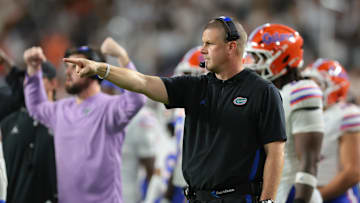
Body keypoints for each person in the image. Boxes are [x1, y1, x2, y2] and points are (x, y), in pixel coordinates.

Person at [64, 16, 287, 203]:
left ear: (231, 47)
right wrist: (101, 69)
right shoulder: (196, 87)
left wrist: (267, 201)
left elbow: (275, 153)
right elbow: (141, 82)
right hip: (196, 197)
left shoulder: (262, 92)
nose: (203, 50)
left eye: (210, 43)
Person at [23, 37, 146, 203]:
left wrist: (122, 57)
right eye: (67, 67)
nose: (67, 72)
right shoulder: (61, 109)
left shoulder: (109, 108)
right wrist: (33, 69)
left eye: (74, 67)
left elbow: (137, 99)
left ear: (93, 69)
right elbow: (36, 106)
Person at [245, 24, 325, 203]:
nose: (255, 64)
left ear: (281, 57)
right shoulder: (273, 94)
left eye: (259, 57)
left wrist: (300, 200)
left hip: (292, 193)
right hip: (272, 192)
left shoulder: (301, 92)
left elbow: (309, 160)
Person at [302, 59, 360, 203]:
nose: (309, 88)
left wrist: (315, 197)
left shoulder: (346, 114)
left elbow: (353, 172)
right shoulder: (304, 114)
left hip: (338, 197)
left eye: (316, 83)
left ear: (334, 87)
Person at [0, 59, 58, 203]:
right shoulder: (9, 122)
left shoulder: (64, 118)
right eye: (29, 78)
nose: (32, 82)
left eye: (39, 78)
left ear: (53, 83)